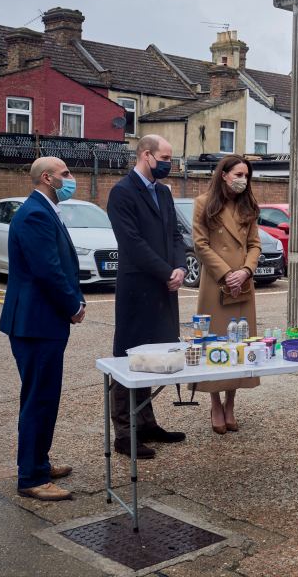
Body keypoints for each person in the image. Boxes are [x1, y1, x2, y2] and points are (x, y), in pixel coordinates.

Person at [0, 157, 86, 501]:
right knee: (38, 399)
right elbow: (47, 270)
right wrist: (73, 305)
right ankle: (31, 478)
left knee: (45, 396)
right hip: (36, 322)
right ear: (47, 178)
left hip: (42, 321)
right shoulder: (36, 213)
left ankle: (40, 462)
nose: (71, 179)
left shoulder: (45, 208)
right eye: (65, 174)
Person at [107, 134, 187, 459]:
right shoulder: (122, 193)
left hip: (165, 290)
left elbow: (176, 235)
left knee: (155, 356)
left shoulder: (164, 193)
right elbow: (133, 243)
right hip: (138, 290)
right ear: (145, 155)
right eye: (164, 158)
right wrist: (166, 272)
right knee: (130, 359)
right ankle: (125, 434)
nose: (169, 164)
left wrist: (180, 267)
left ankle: (147, 421)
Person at [192, 155, 261, 434]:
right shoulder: (203, 203)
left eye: (246, 175)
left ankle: (231, 402)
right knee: (213, 343)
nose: (243, 180)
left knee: (239, 345)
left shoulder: (249, 206)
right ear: (224, 175)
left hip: (242, 282)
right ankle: (214, 402)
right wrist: (226, 273)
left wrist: (245, 270)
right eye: (238, 174)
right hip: (215, 282)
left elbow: (255, 244)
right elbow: (200, 243)